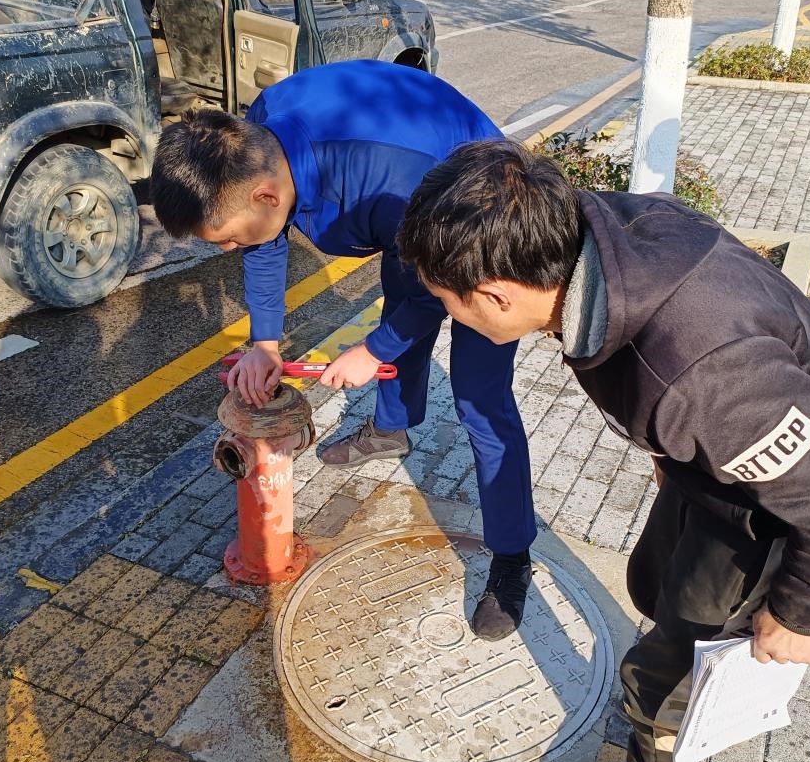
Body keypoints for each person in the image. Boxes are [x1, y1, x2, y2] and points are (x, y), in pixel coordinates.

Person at [397, 139, 810, 762]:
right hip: (729, 464)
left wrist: (804, 616)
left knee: (678, 661)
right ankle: (659, 701)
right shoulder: (595, 234)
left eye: (446, 301)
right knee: (656, 583)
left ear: (495, 294)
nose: (451, 316)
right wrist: (671, 456)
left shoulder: (702, 378)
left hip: (791, 507)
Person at [149, 62, 537, 639]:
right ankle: (390, 430)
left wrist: (372, 350)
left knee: (480, 398)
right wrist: (264, 344)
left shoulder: (389, 179)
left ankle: (511, 558)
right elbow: (264, 239)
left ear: (266, 193)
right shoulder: (254, 142)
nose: (229, 249)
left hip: (477, 215)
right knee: (400, 296)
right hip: (407, 220)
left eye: (226, 237)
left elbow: (431, 295)